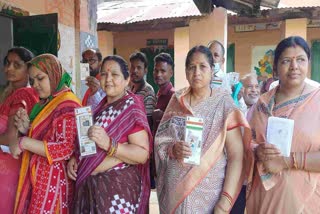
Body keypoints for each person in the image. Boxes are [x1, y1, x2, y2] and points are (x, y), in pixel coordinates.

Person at [155, 45, 250, 213]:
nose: (196, 72)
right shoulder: (177, 100)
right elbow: (160, 139)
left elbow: (236, 155)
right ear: (185, 72)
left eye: (202, 66)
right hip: (174, 196)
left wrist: (225, 201)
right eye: (191, 67)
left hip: (208, 198)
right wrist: (172, 149)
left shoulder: (223, 103)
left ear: (212, 70)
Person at [68, 55, 152, 213]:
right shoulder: (101, 107)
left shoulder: (131, 108)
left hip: (117, 191)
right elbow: (90, 142)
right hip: (94, 189)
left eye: (115, 74)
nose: (108, 79)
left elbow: (142, 154)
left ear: (127, 80)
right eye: (104, 74)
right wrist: (76, 156)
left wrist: (109, 144)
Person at [246, 36, 320, 213]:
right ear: (276, 67)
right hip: (263, 198)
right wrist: (256, 150)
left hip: (304, 201)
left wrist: (287, 161)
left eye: (300, 60)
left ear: (308, 63)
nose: (294, 66)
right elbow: (247, 142)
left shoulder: (317, 100)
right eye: (286, 61)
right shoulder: (262, 104)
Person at [11, 54, 81, 213]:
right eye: (32, 80)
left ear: (54, 73)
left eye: (40, 78)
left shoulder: (67, 104)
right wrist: (26, 128)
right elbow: (47, 137)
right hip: (42, 181)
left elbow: (65, 148)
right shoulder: (46, 103)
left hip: (54, 184)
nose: (35, 84)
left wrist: (24, 142)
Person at [0, 47, 38, 214]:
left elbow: (11, 139)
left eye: (17, 65)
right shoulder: (11, 93)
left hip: (9, 165)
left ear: (28, 69)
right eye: (7, 64)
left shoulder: (22, 95)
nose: (9, 69)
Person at [151, 52, 175, 189]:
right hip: (157, 153)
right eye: (156, 70)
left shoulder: (172, 96)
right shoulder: (158, 93)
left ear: (170, 72)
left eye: (163, 71)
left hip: (166, 155)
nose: (158, 74)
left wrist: (162, 116)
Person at [129, 51, 156, 131]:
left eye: (139, 67)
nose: (135, 71)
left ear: (145, 70)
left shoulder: (148, 91)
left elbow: (148, 123)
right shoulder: (130, 89)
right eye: (132, 67)